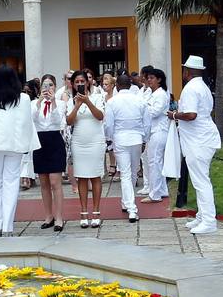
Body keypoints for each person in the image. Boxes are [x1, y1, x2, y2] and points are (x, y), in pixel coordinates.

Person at [0, 66, 39, 236]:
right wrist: (26, 145)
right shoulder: (23, 99)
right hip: (15, 144)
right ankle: (7, 227)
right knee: (11, 184)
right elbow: (26, 123)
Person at [168, 55, 221, 234]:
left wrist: (174, 115)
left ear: (187, 71)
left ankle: (208, 221)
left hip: (198, 141)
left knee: (201, 181)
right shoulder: (202, 87)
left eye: (184, 69)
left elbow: (191, 115)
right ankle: (202, 216)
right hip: (202, 138)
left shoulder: (191, 88)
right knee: (200, 179)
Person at [65, 70, 107, 227]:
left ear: (88, 82)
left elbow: (100, 116)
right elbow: (69, 121)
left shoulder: (97, 96)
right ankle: (83, 212)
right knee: (81, 177)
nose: (80, 84)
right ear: (73, 84)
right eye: (77, 82)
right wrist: (77, 105)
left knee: (95, 176)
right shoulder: (71, 100)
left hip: (95, 140)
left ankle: (96, 211)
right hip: (79, 142)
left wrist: (88, 101)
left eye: (82, 81)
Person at [103, 73, 147, 222]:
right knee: (133, 173)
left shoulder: (112, 102)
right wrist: (145, 139)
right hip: (136, 139)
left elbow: (108, 125)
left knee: (126, 174)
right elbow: (147, 123)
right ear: (130, 85)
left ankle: (131, 207)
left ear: (117, 86)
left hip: (120, 139)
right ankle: (128, 204)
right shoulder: (140, 101)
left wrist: (110, 138)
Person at [32, 74, 67, 231]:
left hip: (54, 139)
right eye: (45, 86)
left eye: (51, 85)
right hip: (39, 141)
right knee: (44, 183)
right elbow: (31, 120)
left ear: (55, 86)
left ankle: (59, 217)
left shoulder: (60, 103)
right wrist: (39, 102)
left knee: (55, 182)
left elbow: (58, 121)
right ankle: (48, 216)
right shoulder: (34, 103)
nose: (48, 89)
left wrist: (52, 102)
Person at [140, 67, 171, 202]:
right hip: (153, 131)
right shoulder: (153, 93)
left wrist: (143, 109)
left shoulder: (161, 94)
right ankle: (162, 190)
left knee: (154, 163)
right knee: (155, 161)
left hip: (158, 131)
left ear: (159, 80)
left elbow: (154, 112)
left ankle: (155, 194)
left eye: (152, 78)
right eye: (148, 78)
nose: (149, 80)